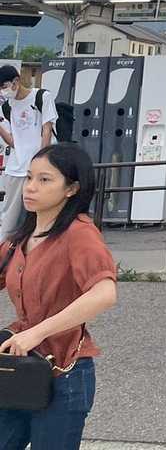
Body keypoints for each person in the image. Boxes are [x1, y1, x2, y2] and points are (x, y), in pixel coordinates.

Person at [0, 143, 118, 449]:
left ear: (71, 188)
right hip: (16, 369)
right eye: (29, 177)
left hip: (63, 373)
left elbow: (104, 293)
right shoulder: (21, 238)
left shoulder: (79, 233)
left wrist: (36, 332)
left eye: (44, 180)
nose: (30, 187)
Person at [0, 64, 58, 241]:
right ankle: (5, 254)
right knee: (9, 221)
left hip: (39, 169)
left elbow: (47, 131)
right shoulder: (7, 106)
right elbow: (14, 142)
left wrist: (41, 164)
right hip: (16, 169)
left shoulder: (41, 97)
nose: (3, 91)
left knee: (41, 216)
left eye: (3, 86)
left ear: (16, 81)